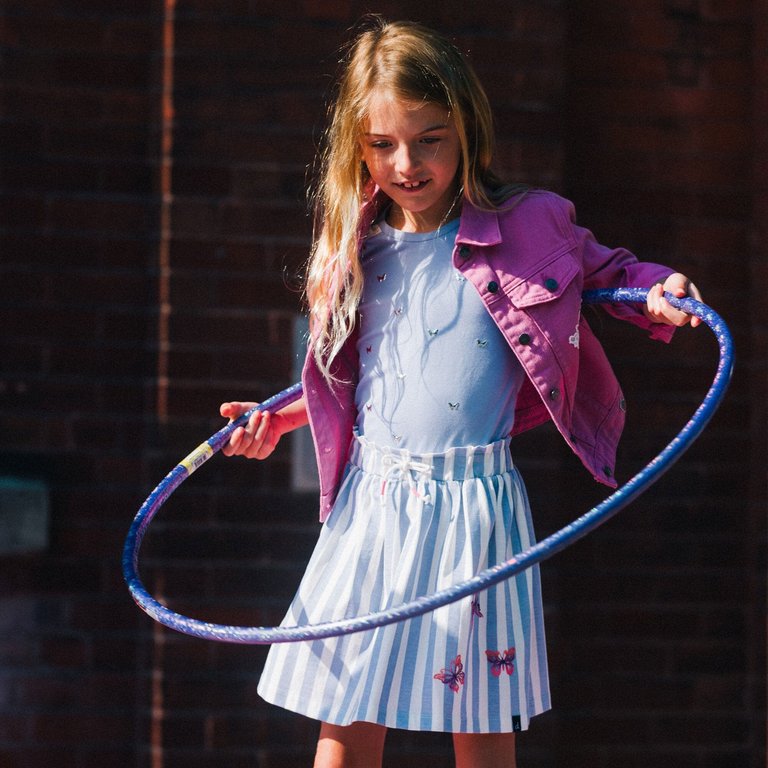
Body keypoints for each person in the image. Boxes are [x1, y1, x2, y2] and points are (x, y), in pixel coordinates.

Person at [219, 17, 702, 768]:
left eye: (429, 138)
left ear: (467, 130)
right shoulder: (361, 246)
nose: (406, 163)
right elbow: (356, 375)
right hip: (373, 506)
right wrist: (275, 419)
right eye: (382, 145)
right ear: (357, 147)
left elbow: (609, 274)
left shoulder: (531, 224)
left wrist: (658, 291)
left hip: (475, 507)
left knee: (480, 731)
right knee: (344, 727)